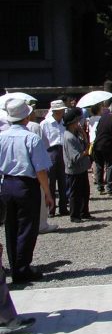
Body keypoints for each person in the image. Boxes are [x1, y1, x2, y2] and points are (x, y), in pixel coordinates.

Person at [0, 98, 55, 284]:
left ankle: (15, 266)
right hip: (26, 184)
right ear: (26, 117)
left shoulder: (1, 137)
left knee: (11, 227)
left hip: (6, 183)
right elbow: (40, 169)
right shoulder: (31, 138)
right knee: (27, 227)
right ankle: (23, 268)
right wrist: (47, 192)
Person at [26, 108, 58, 234]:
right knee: (40, 196)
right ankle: (41, 224)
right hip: (34, 168)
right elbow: (45, 144)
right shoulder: (35, 127)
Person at [62, 108, 93, 223]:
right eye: (77, 121)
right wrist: (85, 152)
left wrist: (83, 133)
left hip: (81, 168)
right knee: (75, 193)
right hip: (74, 169)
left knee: (85, 191)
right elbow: (74, 157)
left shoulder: (75, 134)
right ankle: (75, 215)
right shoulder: (68, 137)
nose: (79, 123)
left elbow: (85, 143)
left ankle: (84, 212)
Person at [41, 99, 68, 216]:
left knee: (63, 181)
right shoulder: (45, 123)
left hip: (62, 151)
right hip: (50, 151)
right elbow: (42, 141)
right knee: (50, 182)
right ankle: (51, 209)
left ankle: (63, 207)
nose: (63, 113)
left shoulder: (64, 122)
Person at [93, 101, 112, 195]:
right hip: (107, 145)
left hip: (97, 144)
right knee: (110, 165)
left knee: (99, 165)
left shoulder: (103, 117)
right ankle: (110, 188)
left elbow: (97, 130)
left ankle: (100, 187)